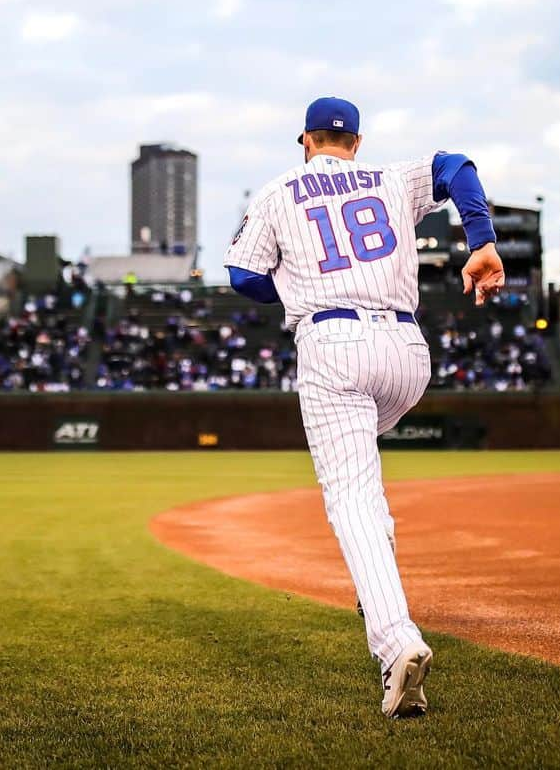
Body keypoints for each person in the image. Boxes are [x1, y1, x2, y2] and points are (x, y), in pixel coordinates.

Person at [224, 96, 503, 718]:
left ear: (305, 139)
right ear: (356, 140)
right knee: (364, 483)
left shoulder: (279, 191)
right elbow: (456, 165)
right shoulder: (391, 177)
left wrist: (296, 279)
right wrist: (481, 241)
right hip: (407, 352)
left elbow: (242, 277)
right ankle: (378, 563)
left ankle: (396, 642)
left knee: (349, 494)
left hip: (333, 341)